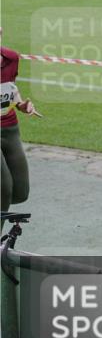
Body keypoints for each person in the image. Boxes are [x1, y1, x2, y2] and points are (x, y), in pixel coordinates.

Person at [1, 28, 41, 212]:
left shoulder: (11, 58)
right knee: (3, 189)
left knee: (20, 192)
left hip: (10, 129)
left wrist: (21, 104)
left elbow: (10, 88)